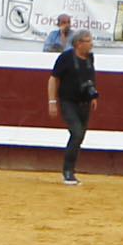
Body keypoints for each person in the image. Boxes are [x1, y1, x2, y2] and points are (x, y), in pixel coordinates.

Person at [47, 28, 97, 185]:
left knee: (80, 135)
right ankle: (67, 172)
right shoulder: (66, 58)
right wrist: (52, 101)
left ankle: (70, 170)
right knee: (76, 133)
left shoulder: (90, 57)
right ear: (78, 44)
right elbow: (53, 79)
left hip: (84, 102)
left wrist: (93, 97)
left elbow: (90, 77)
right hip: (68, 101)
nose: (91, 44)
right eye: (88, 41)